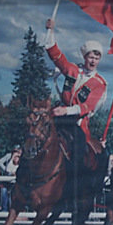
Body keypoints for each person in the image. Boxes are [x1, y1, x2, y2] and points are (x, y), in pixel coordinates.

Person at [44, 19, 108, 172]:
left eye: (97, 58)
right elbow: (55, 55)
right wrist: (50, 31)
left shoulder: (100, 83)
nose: (93, 61)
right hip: (58, 115)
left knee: (79, 150)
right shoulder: (72, 69)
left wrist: (66, 111)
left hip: (78, 123)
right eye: (91, 57)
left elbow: (88, 107)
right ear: (85, 57)